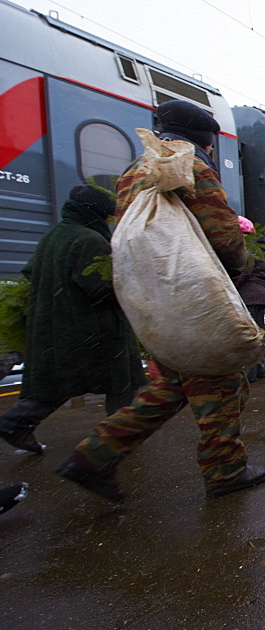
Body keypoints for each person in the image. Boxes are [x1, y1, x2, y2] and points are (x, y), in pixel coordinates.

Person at [55, 100, 265, 502]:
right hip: (193, 297)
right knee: (221, 379)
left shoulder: (133, 173)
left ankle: (93, 457)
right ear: (204, 140)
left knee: (170, 384)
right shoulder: (189, 164)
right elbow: (224, 239)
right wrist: (241, 260)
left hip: (153, 297)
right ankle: (225, 470)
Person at [0, 186, 145, 455]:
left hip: (60, 327)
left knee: (59, 382)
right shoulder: (89, 240)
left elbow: (30, 272)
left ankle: (15, 423)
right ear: (96, 212)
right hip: (94, 328)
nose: (109, 219)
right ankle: (118, 434)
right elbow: (101, 288)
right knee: (122, 381)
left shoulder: (54, 236)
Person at [235, 216, 265, 382]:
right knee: (257, 333)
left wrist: (233, 283)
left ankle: (250, 374)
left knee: (250, 336)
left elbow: (245, 271)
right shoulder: (261, 247)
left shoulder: (249, 247)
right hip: (260, 293)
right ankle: (260, 368)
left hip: (249, 294)